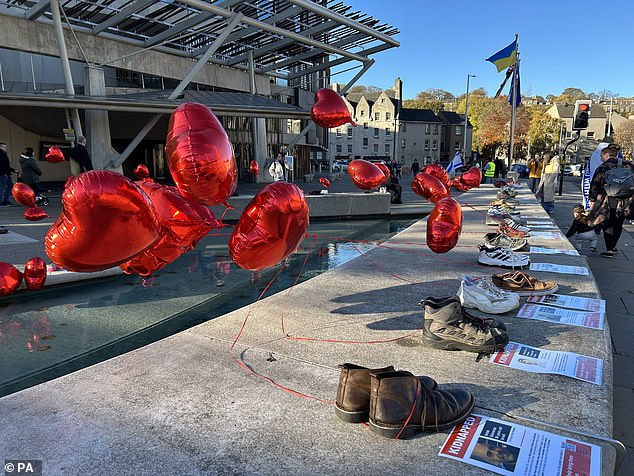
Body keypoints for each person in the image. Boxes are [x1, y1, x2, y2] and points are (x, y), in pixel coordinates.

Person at [588, 144, 634, 257]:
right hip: (625, 199)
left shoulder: (603, 167)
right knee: (619, 223)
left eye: (601, 156)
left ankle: (609, 248)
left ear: (607, 155)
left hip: (609, 198)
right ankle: (613, 246)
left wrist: (592, 200)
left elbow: (595, 184)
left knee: (608, 223)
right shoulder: (628, 165)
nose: (600, 158)